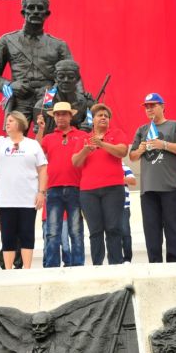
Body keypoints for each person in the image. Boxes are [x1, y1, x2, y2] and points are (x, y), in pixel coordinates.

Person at [0, 0, 73, 126]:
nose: (36, 12)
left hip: (48, 98)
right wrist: (10, 86)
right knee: (16, 142)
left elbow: (71, 77)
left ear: (47, 13)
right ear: (23, 12)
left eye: (40, 8)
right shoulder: (7, 41)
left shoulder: (59, 45)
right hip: (20, 98)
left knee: (48, 141)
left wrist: (52, 93)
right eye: (31, 8)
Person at [0, 109, 47, 269]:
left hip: (28, 198)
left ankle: (27, 268)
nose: (7, 123)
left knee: (27, 234)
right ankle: (8, 270)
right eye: (7, 121)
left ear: (20, 123)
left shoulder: (32, 144)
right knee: (8, 235)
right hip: (6, 199)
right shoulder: (0, 142)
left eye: (10, 120)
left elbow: (43, 169)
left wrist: (41, 192)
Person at [129, 93, 176, 263]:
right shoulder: (142, 130)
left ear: (163, 106)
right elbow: (132, 156)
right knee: (151, 230)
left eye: (153, 105)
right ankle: (154, 264)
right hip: (148, 188)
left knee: (172, 227)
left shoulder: (174, 126)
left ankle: (175, 263)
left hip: (170, 186)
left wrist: (163, 144)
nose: (149, 109)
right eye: (146, 106)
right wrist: (141, 149)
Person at [71, 103, 129, 265]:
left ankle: (116, 264)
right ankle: (97, 265)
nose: (103, 117)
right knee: (95, 231)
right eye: (100, 115)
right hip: (89, 191)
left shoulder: (117, 134)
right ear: (93, 120)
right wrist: (86, 149)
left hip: (113, 189)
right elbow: (75, 162)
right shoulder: (83, 138)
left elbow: (122, 151)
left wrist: (102, 144)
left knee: (113, 228)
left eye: (106, 116)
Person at [36, 102, 86, 268]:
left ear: (70, 116)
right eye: (57, 114)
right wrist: (41, 129)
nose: (60, 117)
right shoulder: (48, 138)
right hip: (53, 188)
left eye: (64, 114)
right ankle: (51, 267)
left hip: (76, 188)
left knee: (76, 231)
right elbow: (35, 151)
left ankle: (78, 265)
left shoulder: (81, 135)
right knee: (52, 231)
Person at [33, 59, 96, 134]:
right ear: (55, 78)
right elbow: (38, 131)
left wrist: (88, 124)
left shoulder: (86, 103)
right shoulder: (43, 104)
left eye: (71, 77)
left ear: (77, 79)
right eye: (61, 76)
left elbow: (90, 121)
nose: (66, 80)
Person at [120, 165, 137, 263]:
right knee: (112, 233)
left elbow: (133, 181)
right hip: (109, 207)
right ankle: (117, 257)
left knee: (125, 232)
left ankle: (127, 258)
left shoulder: (125, 167)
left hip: (124, 206)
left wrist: (116, 178)